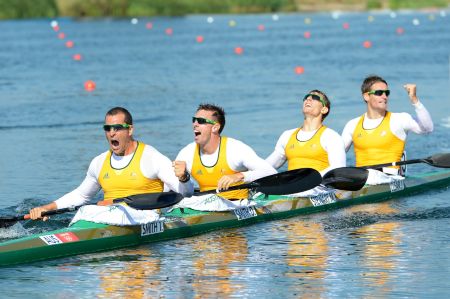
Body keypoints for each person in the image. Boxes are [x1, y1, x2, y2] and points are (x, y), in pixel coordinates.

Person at [30, 107, 193, 223]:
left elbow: (186, 193)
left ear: (130, 130)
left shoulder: (151, 157)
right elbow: (81, 196)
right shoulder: (99, 162)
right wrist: (48, 208)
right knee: (84, 210)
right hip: (108, 215)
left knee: (116, 213)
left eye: (117, 128)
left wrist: (184, 178)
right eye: (107, 128)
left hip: (144, 217)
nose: (111, 133)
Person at [173, 103, 276, 204]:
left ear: (215, 127)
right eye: (193, 120)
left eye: (200, 121)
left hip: (237, 205)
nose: (195, 124)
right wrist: (184, 179)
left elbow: (270, 172)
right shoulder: (187, 153)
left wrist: (239, 176)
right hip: (204, 206)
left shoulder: (235, 149)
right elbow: (185, 195)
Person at [341, 75, 433, 175]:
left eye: (387, 93)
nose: (385, 97)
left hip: (391, 178)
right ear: (366, 96)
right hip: (362, 179)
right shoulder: (352, 125)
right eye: (379, 93)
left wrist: (414, 99)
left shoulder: (399, 119)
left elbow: (428, 128)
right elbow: (337, 155)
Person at [266, 90, 346, 176]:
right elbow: (267, 167)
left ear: (324, 109)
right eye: (306, 97)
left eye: (315, 97)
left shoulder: (331, 136)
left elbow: (338, 168)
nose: (308, 99)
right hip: (293, 187)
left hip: (319, 188)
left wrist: (309, 179)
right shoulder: (287, 135)